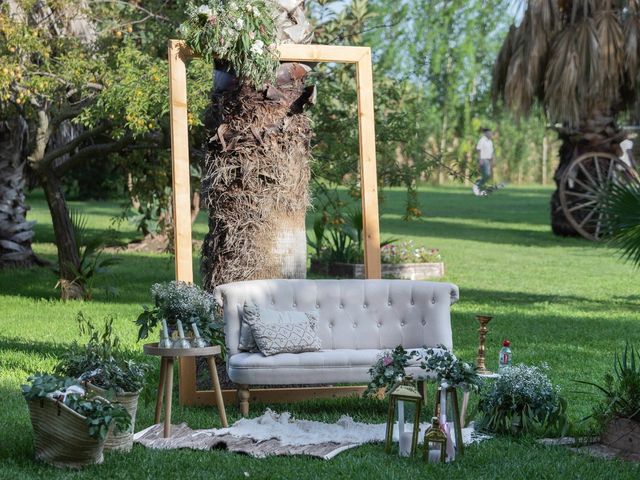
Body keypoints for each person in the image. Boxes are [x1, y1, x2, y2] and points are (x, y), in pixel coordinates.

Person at [473, 128, 494, 196]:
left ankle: (478, 185)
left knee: (487, 175)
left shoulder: (490, 141)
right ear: (485, 133)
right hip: (483, 159)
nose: (490, 134)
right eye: (489, 133)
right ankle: (477, 185)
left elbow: (491, 152)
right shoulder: (482, 140)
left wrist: (492, 161)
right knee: (486, 174)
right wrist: (480, 160)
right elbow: (478, 150)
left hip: (488, 160)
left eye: (491, 133)